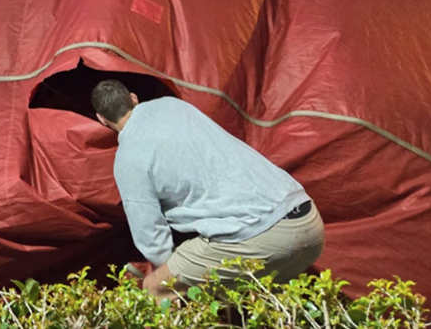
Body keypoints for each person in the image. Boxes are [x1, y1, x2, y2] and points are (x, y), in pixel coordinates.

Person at [91, 79, 324, 302]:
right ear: (133, 98)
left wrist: (165, 271)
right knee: (243, 298)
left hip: (260, 236)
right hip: (308, 219)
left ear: (101, 119)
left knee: (156, 288)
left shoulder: (128, 159)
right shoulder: (173, 106)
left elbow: (151, 235)